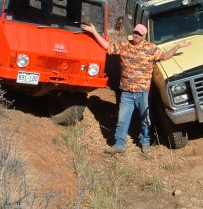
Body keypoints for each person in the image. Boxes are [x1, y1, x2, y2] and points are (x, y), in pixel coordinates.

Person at [81, 23, 191, 155]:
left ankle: (145, 143)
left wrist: (177, 46)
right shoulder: (124, 46)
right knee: (122, 120)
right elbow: (107, 46)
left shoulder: (151, 48)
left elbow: (165, 56)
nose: (136, 35)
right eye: (135, 32)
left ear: (144, 36)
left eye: (139, 34)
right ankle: (119, 145)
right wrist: (94, 32)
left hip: (143, 93)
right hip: (126, 92)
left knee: (146, 120)